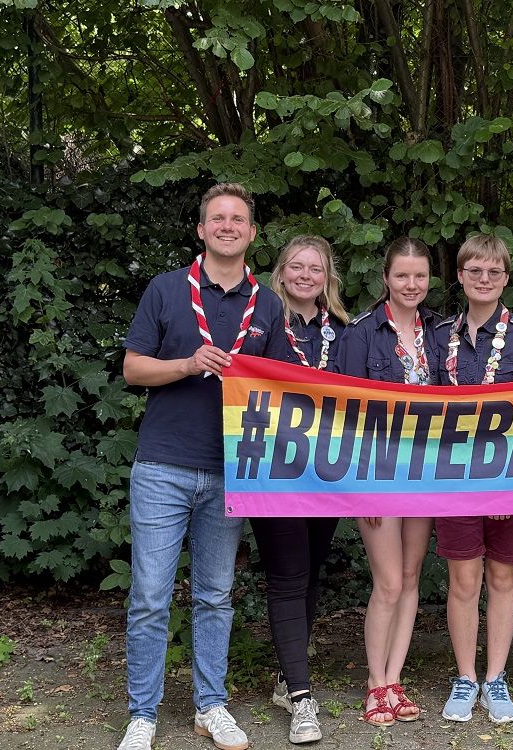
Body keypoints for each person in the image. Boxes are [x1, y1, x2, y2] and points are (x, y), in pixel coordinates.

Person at [120, 183, 291, 750]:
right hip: (163, 464)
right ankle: (142, 714)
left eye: (237, 219)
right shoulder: (167, 289)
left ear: (252, 233)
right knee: (150, 595)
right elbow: (133, 370)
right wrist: (188, 364)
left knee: (216, 595)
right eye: (217, 218)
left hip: (230, 471)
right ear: (201, 229)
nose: (227, 226)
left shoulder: (267, 304)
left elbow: (283, 387)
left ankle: (210, 705)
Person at [432, 235, 513, 724]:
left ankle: (495, 677)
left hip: (510, 478)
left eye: (494, 271)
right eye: (474, 270)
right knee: (463, 578)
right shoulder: (439, 334)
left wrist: (505, 486)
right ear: (460, 276)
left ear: (506, 278)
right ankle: (465, 677)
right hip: (453, 478)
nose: (484, 279)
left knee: (501, 576)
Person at [334, 237, 441, 726]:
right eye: (402, 275)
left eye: (419, 276)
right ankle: (374, 683)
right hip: (377, 472)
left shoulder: (438, 332)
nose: (411, 284)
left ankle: (395, 679)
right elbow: (344, 416)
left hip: (426, 471)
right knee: (390, 581)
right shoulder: (360, 334)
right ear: (386, 279)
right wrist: (362, 486)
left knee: (412, 577)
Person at [249, 235, 350, 744]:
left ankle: (287, 677)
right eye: (296, 266)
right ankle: (302, 697)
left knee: (308, 573)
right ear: (282, 271)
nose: (306, 275)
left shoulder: (344, 332)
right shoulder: (260, 320)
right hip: (273, 473)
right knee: (288, 576)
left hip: (326, 476)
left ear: (328, 276)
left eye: (315, 268)